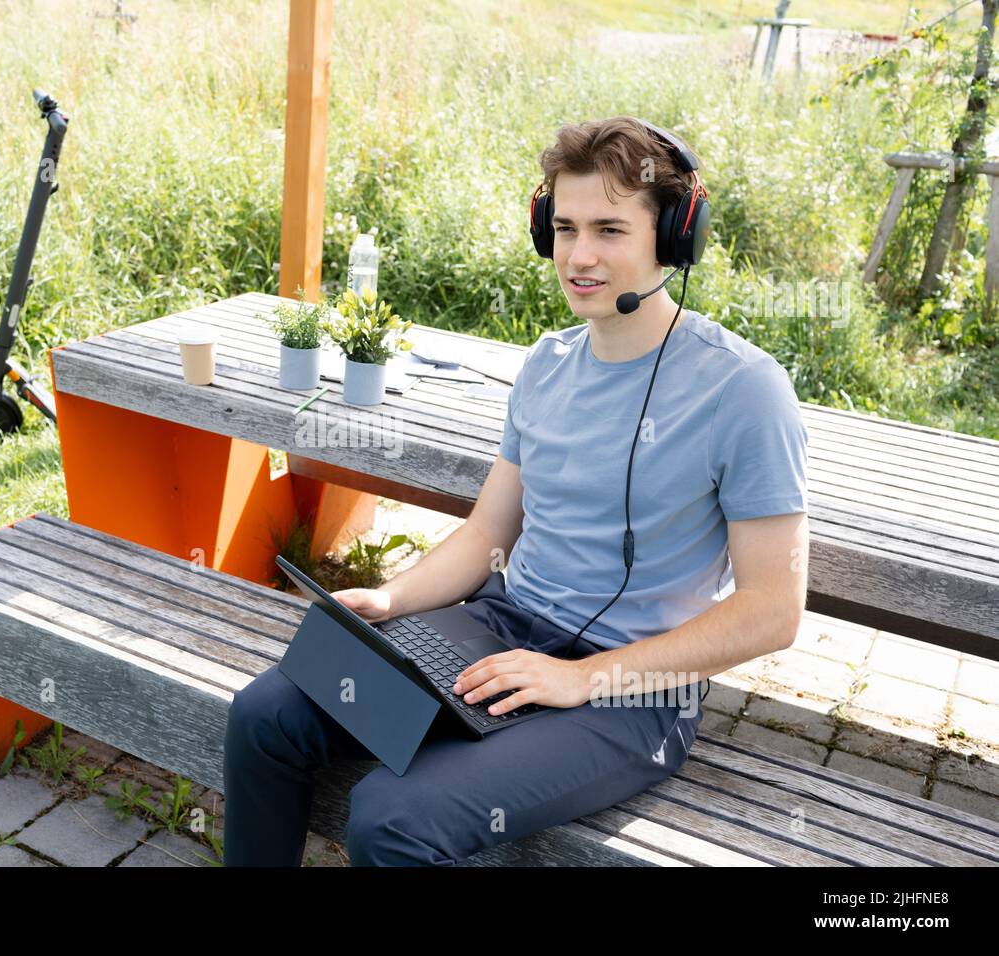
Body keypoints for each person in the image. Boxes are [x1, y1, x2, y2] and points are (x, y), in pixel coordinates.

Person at [223, 115, 810, 867]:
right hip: (501, 633)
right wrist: (394, 599)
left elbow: (772, 612)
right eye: (564, 228)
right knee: (265, 713)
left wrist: (579, 678)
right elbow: (486, 533)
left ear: (672, 235)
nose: (580, 256)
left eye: (609, 229)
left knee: (391, 817)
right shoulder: (546, 364)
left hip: (633, 693)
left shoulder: (745, 390)